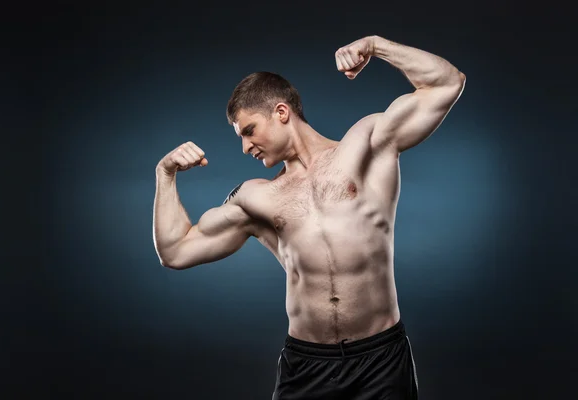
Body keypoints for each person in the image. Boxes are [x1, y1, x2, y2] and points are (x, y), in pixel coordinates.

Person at [153, 34, 465, 399]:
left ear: (281, 112)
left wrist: (377, 46)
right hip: (307, 365)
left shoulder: (365, 145)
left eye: (249, 130)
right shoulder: (257, 197)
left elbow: (447, 83)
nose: (244, 146)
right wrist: (165, 173)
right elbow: (174, 251)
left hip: (380, 358)